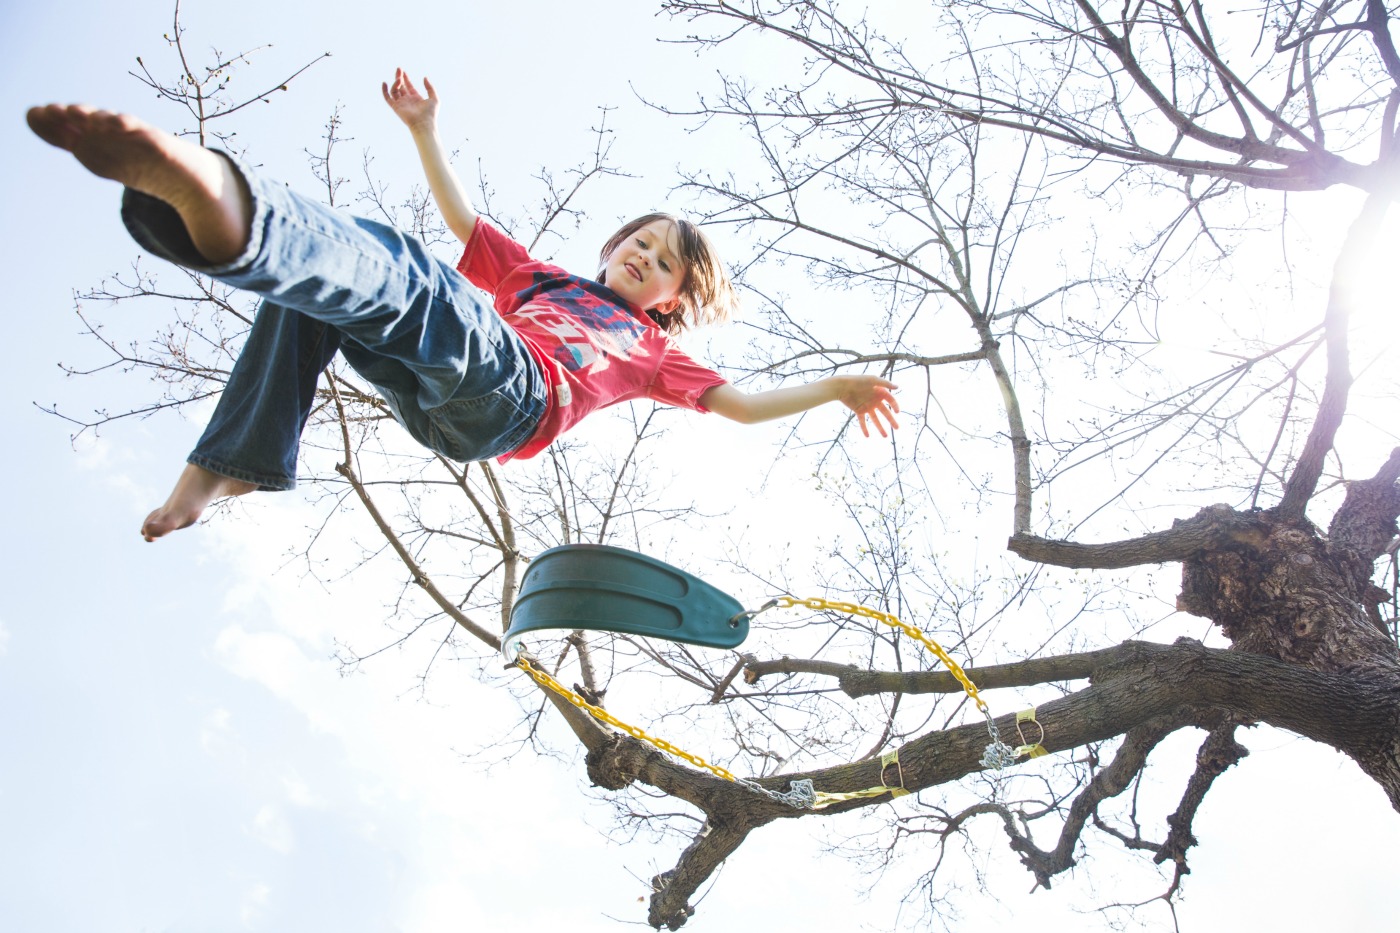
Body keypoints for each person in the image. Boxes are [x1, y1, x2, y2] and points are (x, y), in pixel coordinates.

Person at [26, 69, 900, 543]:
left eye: (661, 261)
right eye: (637, 241)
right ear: (611, 247)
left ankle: (236, 213)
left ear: (672, 299)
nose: (641, 256)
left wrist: (835, 388)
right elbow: (461, 219)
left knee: (401, 270)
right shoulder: (543, 281)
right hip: (439, 402)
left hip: (516, 398)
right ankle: (232, 461)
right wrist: (423, 132)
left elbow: (743, 407)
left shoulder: (653, 349)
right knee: (326, 291)